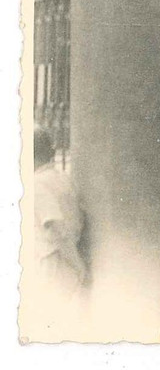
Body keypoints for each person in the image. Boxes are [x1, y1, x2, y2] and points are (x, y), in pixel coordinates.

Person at [32, 127, 87, 319]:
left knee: (46, 320)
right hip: (68, 258)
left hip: (53, 261)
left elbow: (55, 227)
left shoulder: (36, 185)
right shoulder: (63, 178)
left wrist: (78, 264)